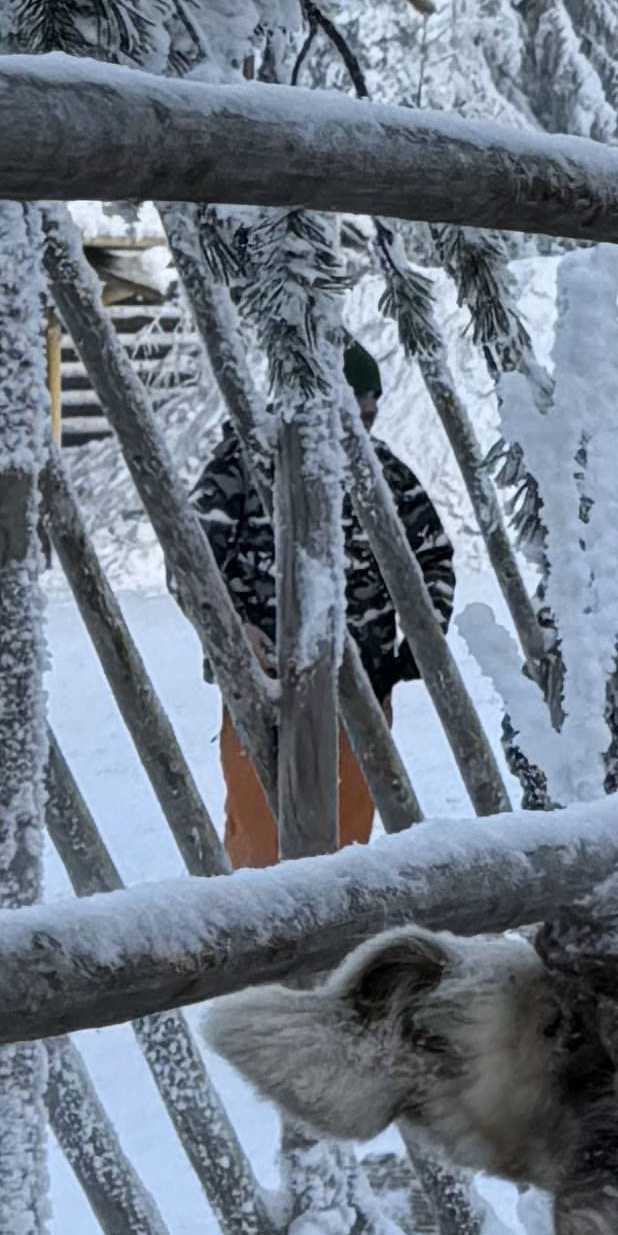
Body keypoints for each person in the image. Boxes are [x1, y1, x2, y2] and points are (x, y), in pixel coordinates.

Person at [197, 341, 457, 864]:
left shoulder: (384, 472)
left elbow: (434, 557)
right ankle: (261, 941)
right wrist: (233, 633)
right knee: (258, 835)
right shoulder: (244, 464)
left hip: (362, 685)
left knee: (348, 840)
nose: (364, 422)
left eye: (371, 410)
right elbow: (193, 564)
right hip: (264, 685)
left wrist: (419, 643)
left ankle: (340, 940)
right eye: (352, 409)